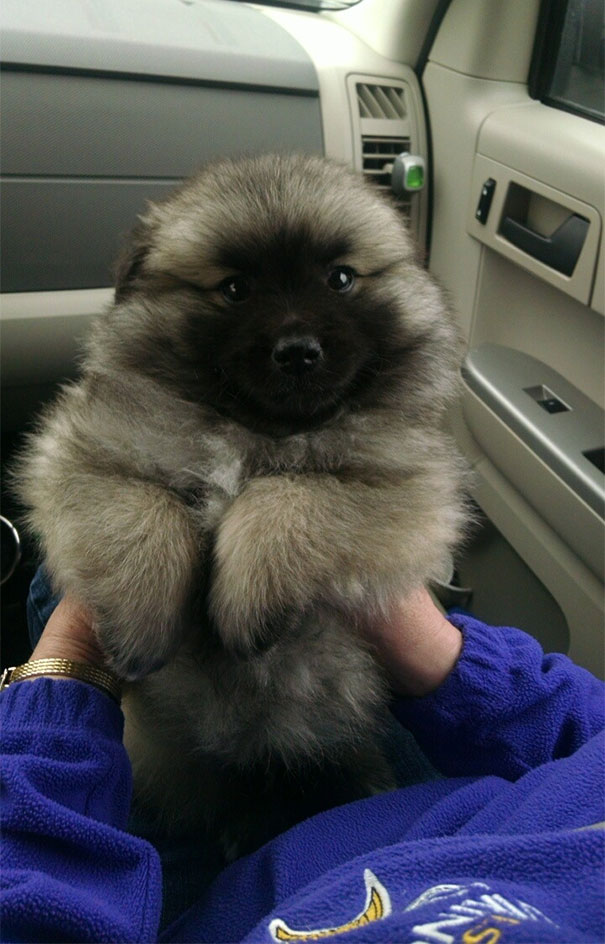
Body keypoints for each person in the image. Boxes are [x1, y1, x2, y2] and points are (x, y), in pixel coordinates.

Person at [1, 587, 604, 943]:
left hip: (189, 897)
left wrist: (68, 661)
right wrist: (442, 656)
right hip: (458, 805)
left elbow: (27, 922)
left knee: (77, 572)